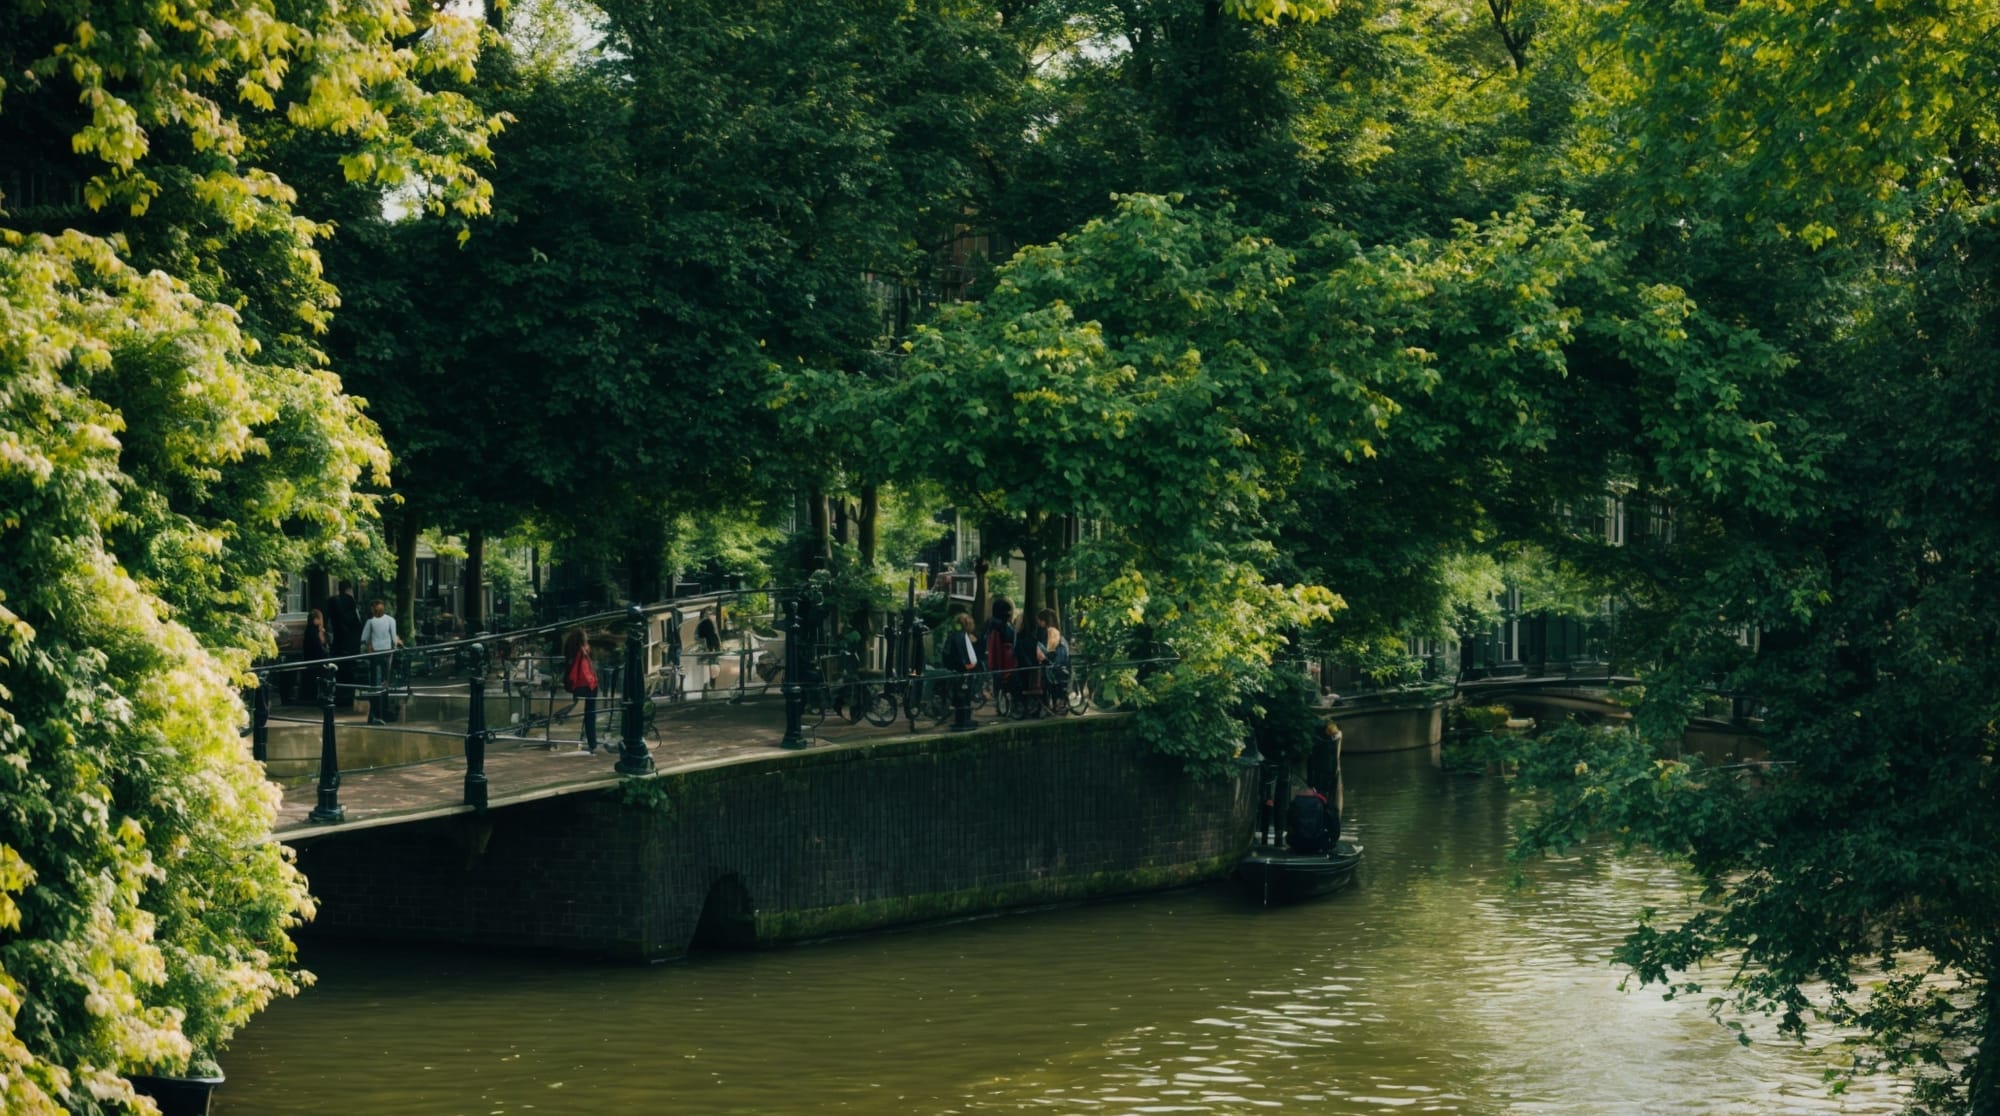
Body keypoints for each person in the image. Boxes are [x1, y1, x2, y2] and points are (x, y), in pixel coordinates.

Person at [359, 599, 403, 724]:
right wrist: (394, 647)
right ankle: (383, 711)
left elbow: (363, 639)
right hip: (387, 654)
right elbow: (394, 639)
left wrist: (368, 646)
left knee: (375, 683)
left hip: (376, 654)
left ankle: (376, 713)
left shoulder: (370, 622)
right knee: (384, 682)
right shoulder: (390, 621)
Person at [323, 579, 364, 708]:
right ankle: (347, 699)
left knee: (337, 669)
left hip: (337, 642)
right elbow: (356, 622)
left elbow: (327, 621)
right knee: (349, 671)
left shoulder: (331, 601)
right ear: (349, 589)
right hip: (350, 643)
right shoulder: (350, 601)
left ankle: (336, 697)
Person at [563, 627, 601, 754]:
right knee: (590, 714)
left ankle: (589, 741)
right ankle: (592, 742)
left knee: (587, 713)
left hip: (579, 686)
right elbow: (586, 671)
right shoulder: (584, 651)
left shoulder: (571, 650)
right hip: (590, 685)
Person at [1285, 786, 1339, 854]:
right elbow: (1334, 825)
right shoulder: (1323, 803)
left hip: (1296, 844)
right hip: (1318, 844)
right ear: (1314, 791)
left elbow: (1287, 825)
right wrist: (1332, 842)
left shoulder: (1293, 804)